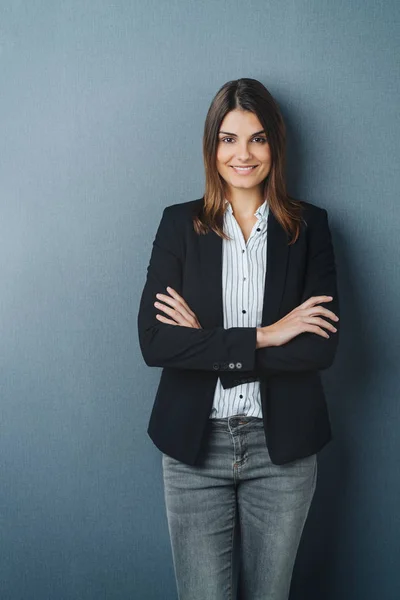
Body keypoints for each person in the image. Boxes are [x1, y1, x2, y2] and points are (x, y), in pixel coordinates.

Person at [137, 78, 340, 600]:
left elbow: (319, 348)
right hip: (193, 450)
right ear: (212, 146)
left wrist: (208, 345)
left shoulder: (310, 227)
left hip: (284, 454)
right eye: (228, 138)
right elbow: (156, 343)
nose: (242, 154)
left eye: (257, 138)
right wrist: (269, 335)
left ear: (275, 144)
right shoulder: (180, 225)